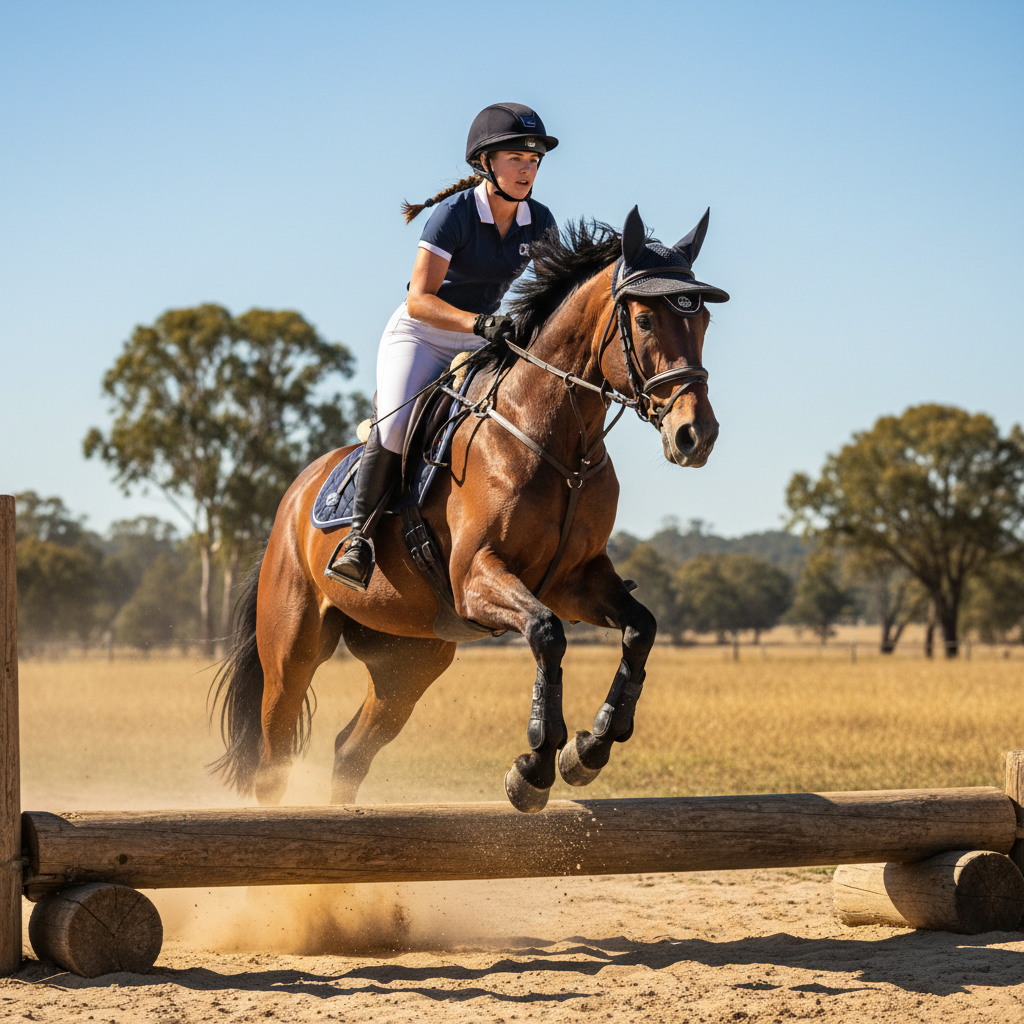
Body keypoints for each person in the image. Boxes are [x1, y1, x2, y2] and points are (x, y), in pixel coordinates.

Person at [327, 102, 559, 590]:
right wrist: (482, 323)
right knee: (393, 426)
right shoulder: (452, 216)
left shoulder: (539, 221)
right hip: (423, 335)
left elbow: (553, 296)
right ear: (485, 164)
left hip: (483, 340)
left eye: (534, 159)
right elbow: (419, 301)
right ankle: (358, 539)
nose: (527, 167)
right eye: (516, 157)